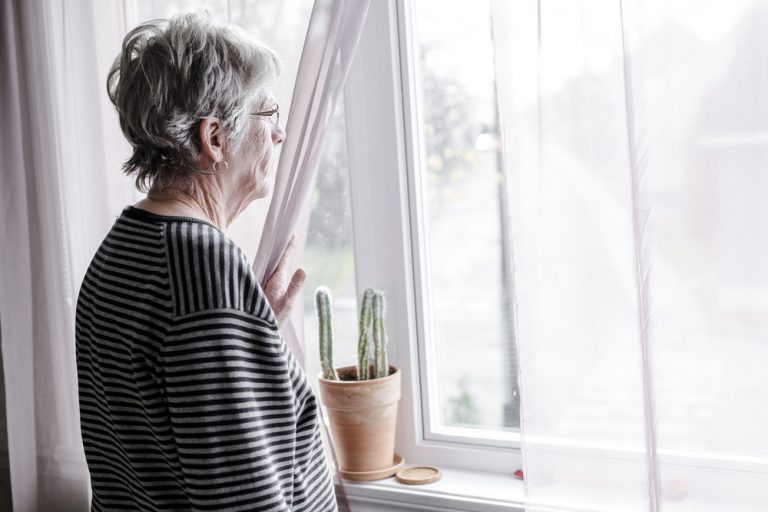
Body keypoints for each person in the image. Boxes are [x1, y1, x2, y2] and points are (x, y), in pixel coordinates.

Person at [76, 13, 337, 511]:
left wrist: (251, 333)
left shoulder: (120, 248)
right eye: (268, 114)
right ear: (214, 138)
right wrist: (229, 313)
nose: (280, 135)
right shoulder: (202, 268)